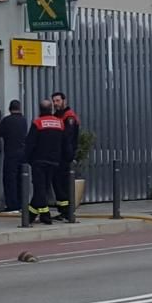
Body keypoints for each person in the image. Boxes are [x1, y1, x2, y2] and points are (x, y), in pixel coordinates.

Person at [25, 99, 71, 225]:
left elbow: (30, 144)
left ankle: (45, 215)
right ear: (51, 109)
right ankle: (30, 215)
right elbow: (66, 143)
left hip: (39, 161)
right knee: (42, 188)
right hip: (54, 161)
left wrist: (26, 159)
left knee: (40, 188)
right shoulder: (60, 123)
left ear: (40, 109)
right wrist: (68, 158)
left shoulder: (37, 123)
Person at [0, 100, 29, 213]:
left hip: (11, 153)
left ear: (10, 109)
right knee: (20, 179)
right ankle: (21, 203)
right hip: (22, 153)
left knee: (10, 179)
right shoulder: (23, 120)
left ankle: (12, 205)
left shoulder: (7, 120)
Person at [52, 91, 81, 221]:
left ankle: (67, 212)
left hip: (64, 156)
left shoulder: (69, 117)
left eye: (58, 101)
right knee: (58, 185)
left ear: (64, 101)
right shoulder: (57, 116)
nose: (55, 103)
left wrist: (68, 156)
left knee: (63, 185)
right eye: (54, 101)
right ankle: (63, 211)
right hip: (57, 156)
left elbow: (68, 138)